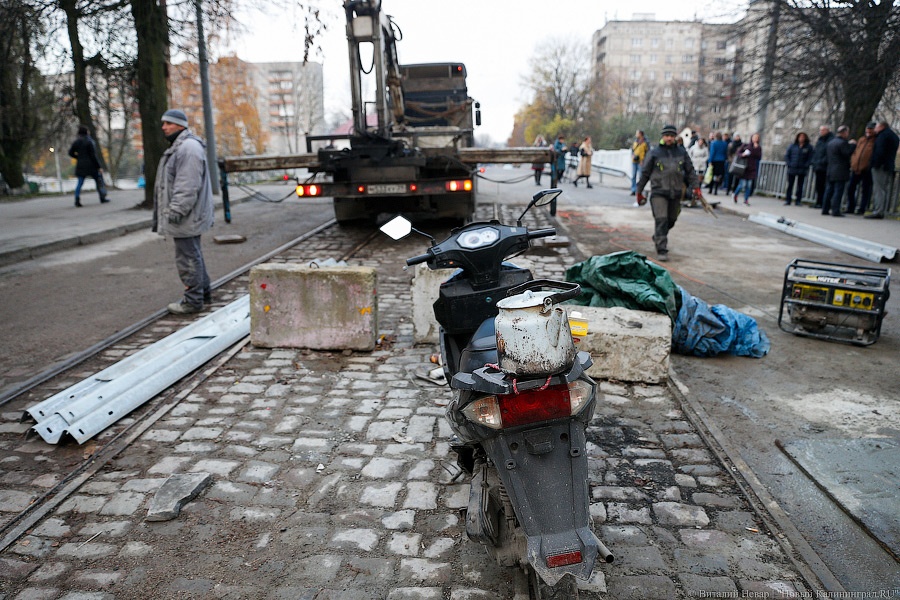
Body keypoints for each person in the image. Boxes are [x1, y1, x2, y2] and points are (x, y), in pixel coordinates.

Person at [153, 109, 215, 315]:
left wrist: (175, 211)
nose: (164, 127)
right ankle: (203, 294)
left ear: (180, 125)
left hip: (186, 215)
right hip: (189, 214)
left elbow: (187, 186)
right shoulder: (183, 146)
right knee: (193, 253)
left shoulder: (187, 148)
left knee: (187, 257)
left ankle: (193, 301)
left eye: (168, 123)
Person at [635, 124, 701, 262]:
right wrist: (639, 191)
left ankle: (659, 235)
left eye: (671, 136)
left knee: (671, 219)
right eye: (667, 136)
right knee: (661, 219)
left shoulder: (681, 152)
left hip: (676, 192)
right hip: (659, 191)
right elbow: (645, 173)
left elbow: (690, 171)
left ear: (675, 137)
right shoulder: (655, 153)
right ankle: (662, 249)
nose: (669, 138)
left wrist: (696, 187)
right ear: (663, 137)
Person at [67, 125, 108, 207]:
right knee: (98, 181)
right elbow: (93, 155)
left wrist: (78, 157)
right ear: (86, 132)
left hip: (81, 165)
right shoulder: (90, 141)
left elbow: (70, 153)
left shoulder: (77, 142)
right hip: (91, 165)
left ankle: (77, 199)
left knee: (80, 183)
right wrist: (99, 167)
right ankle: (102, 197)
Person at [866, 120, 900, 219]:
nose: (875, 129)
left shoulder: (882, 136)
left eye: (876, 127)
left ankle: (879, 210)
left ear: (881, 127)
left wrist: (874, 163)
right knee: (884, 189)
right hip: (888, 165)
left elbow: (879, 151)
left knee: (879, 189)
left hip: (880, 166)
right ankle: (882, 210)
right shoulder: (893, 135)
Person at [822, 125, 855, 217]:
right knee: (838, 191)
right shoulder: (843, 143)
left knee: (829, 190)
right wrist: (852, 145)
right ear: (844, 133)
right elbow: (847, 153)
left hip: (830, 169)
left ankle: (825, 208)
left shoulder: (831, 142)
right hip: (840, 170)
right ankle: (835, 210)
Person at [846, 122, 876, 215]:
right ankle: (851, 206)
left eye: (870, 132)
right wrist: (854, 163)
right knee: (850, 188)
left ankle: (862, 208)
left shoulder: (875, 141)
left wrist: (866, 166)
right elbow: (856, 152)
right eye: (867, 132)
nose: (868, 134)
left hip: (866, 169)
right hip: (856, 168)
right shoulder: (862, 140)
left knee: (865, 190)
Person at [732, 133, 762, 206]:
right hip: (744, 168)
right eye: (754, 137)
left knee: (749, 185)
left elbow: (758, 157)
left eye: (757, 138)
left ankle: (746, 200)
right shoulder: (746, 145)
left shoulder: (758, 147)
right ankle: (735, 194)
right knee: (742, 184)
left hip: (752, 168)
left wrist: (756, 148)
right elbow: (738, 153)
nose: (755, 139)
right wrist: (743, 155)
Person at [783, 132, 813, 206]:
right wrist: (789, 164)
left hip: (802, 169)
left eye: (803, 137)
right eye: (800, 137)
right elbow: (787, 156)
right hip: (792, 168)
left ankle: (798, 201)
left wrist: (806, 165)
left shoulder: (808, 147)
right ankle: (788, 200)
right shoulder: (792, 146)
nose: (801, 138)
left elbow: (810, 158)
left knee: (800, 186)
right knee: (790, 185)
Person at [810, 125, 834, 209]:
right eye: (820, 130)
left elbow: (828, 154)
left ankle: (825, 203)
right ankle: (819, 201)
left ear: (827, 130)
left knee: (825, 186)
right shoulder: (820, 140)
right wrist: (814, 162)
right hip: (818, 166)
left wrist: (821, 162)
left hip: (825, 167)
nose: (821, 132)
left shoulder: (830, 140)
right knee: (818, 186)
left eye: (823, 130)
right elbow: (816, 152)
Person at [687, 137, 708, 207]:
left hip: (702, 165)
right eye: (700, 141)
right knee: (694, 179)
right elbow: (689, 155)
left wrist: (702, 160)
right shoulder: (693, 148)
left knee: (700, 180)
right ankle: (693, 194)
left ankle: (698, 193)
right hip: (695, 165)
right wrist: (693, 160)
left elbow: (707, 156)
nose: (700, 142)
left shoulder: (705, 149)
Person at [630, 130, 648, 195]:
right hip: (634, 161)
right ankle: (633, 190)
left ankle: (639, 190)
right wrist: (632, 155)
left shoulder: (645, 142)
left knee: (641, 176)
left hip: (641, 162)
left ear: (640, 134)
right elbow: (632, 149)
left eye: (637, 133)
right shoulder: (635, 141)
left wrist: (644, 161)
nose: (636, 135)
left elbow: (647, 153)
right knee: (633, 176)